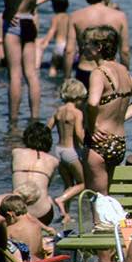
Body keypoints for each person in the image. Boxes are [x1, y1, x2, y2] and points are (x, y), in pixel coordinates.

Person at [1, 0, 65, 123]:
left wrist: (11, 4)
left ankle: (13, 121)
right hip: (30, 21)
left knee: (14, 74)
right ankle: (35, 119)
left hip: (14, 22)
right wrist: (37, 1)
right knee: (32, 73)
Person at [81, 25, 132, 194]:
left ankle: (100, 222)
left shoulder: (98, 73)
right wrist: (121, 117)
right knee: (107, 199)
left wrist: (92, 125)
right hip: (118, 142)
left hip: (99, 142)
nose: (83, 48)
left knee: (98, 202)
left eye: (87, 44)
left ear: (99, 47)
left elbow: (92, 103)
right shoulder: (123, 71)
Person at [64, 0, 131, 86]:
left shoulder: (75, 16)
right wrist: (126, 73)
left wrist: (67, 78)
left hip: (85, 71)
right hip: (110, 71)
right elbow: (125, 51)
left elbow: (69, 51)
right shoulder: (120, 16)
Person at [47, 79, 86, 222]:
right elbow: (78, 134)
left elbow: (47, 129)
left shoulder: (58, 111)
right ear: (78, 96)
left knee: (68, 184)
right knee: (84, 183)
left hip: (58, 150)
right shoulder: (77, 113)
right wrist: (90, 145)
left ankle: (65, 215)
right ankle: (60, 199)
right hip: (71, 152)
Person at [11, 122, 61, 225]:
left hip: (16, 212)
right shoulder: (53, 161)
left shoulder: (16, 152)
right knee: (48, 198)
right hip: (42, 214)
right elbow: (48, 185)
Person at [39, 0, 69, 77]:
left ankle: (51, 80)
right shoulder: (69, 17)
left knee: (53, 66)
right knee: (65, 68)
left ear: (54, 6)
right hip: (67, 47)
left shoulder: (56, 17)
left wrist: (46, 42)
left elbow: (52, 31)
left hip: (59, 46)